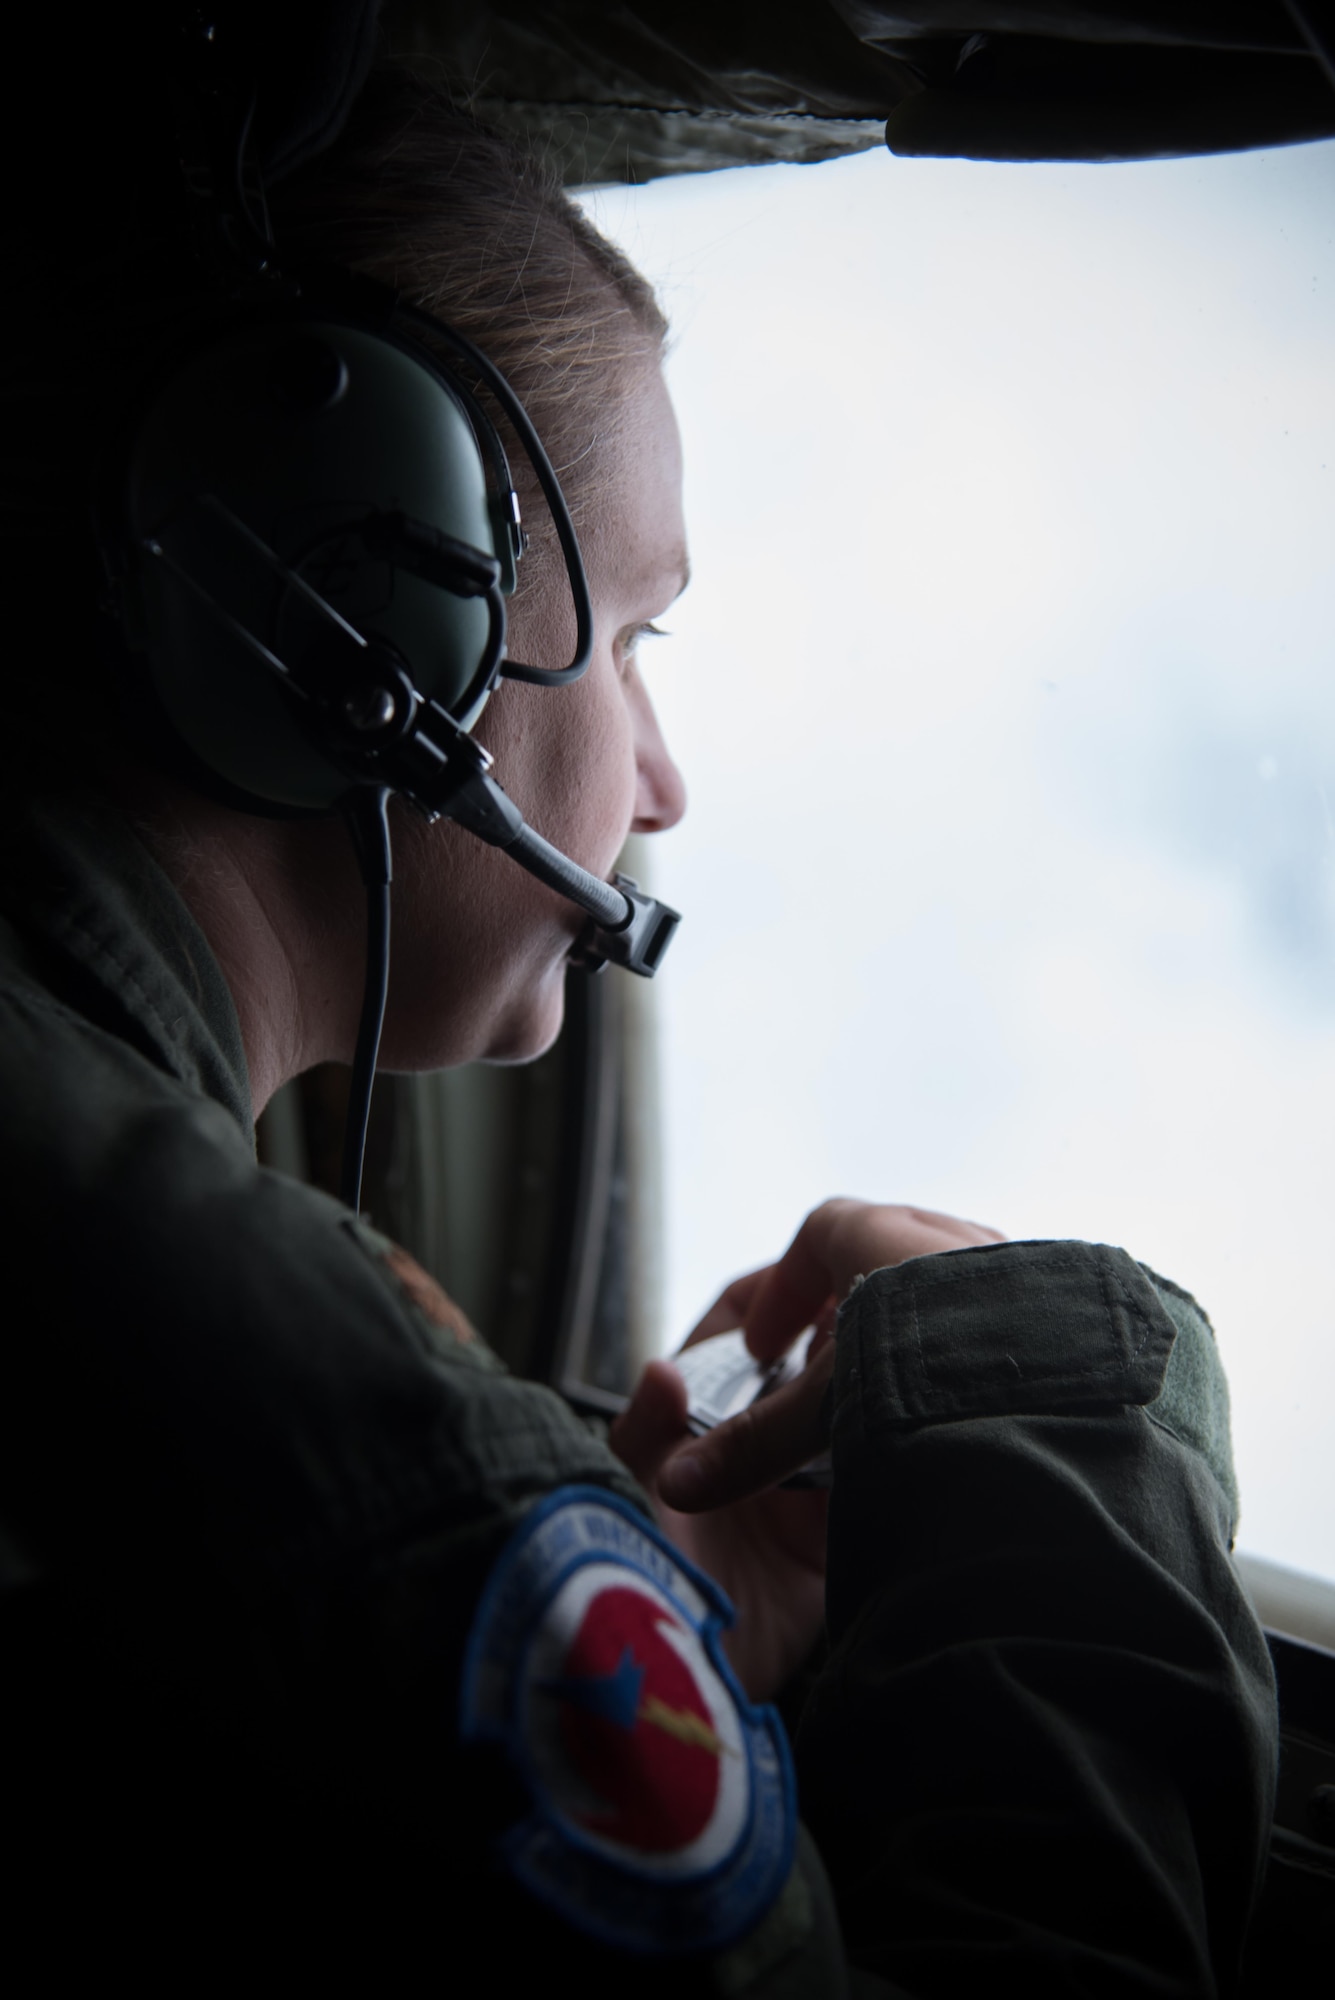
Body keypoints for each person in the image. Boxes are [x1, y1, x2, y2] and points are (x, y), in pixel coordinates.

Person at [0, 56, 1277, 1996]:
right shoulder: (286, 1401)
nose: (661, 782)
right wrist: (1062, 1416)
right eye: (637, 635)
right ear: (354, 619)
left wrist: (642, 1658)